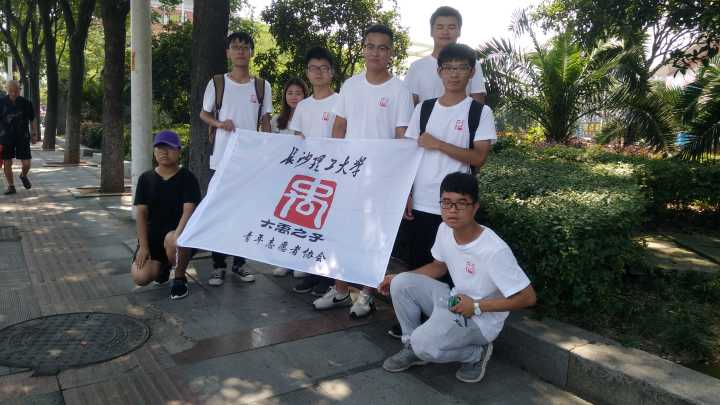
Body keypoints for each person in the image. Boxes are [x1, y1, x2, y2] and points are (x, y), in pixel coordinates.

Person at [378, 172, 537, 383]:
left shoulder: (494, 250)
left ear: (475, 207)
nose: (452, 210)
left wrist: (477, 306)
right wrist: (397, 277)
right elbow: (438, 266)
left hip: (481, 320)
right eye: (446, 203)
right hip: (455, 300)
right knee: (401, 282)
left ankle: (475, 354)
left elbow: (528, 298)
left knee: (424, 343)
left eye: (461, 203)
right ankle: (413, 347)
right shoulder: (444, 229)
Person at [388, 43, 496, 338]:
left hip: (455, 206)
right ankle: (414, 323)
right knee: (418, 264)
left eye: (461, 68)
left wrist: (438, 144)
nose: (454, 74)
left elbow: (479, 158)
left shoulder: (479, 112)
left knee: (451, 270)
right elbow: (409, 154)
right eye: (449, 68)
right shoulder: (424, 109)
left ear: (471, 73)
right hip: (422, 201)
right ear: (439, 72)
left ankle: (445, 327)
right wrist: (407, 192)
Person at [312, 23, 414, 319]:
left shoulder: (400, 91)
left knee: (375, 238)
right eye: (370, 46)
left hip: (382, 179)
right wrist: (334, 166)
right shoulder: (351, 85)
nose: (376, 53)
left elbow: (403, 139)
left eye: (382, 48)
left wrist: (402, 184)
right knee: (343, 232)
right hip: (349, 174)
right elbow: (339, 126)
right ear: (363, 49)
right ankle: (340, 289)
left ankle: (368, 293)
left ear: (391, 53)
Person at [200, 31, 273, 286]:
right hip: (222, 158)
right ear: (228, 53)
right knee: (219, 210)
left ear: (251, 52)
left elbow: (266, 121)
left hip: (250, 162)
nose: (240, 51)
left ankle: (240, 263)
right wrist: (220, 124)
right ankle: (218, 265)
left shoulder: (262, 86)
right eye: (235, 47)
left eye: (245, 47)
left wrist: (269, 150)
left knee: (244, 211)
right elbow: (204, 114)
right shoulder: (217, 82)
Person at [285, 46, 340, 295]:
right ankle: (311, 273)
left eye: (323, 68)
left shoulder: (340, 102)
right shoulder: (303, 106)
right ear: (307, 72)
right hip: (308, 175)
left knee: (329, 227)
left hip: (333, 175)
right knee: (308, 224)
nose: (318, 73)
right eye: (313, 68)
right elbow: (299, 138)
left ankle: (328, 278)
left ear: (332, 72)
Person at [131, 130, 202, 300]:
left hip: (179, 236)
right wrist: (143, 246)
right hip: (154, 238)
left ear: (178, 151)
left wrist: (177, 237)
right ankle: (163, 267)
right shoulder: (145, 178)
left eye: (169, 147)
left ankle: (179, 278)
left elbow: (189, 210)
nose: (164, 152)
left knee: (172, 240)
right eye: (159, 148)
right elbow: (141, 214)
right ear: (154, 151)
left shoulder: (187, 177)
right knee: (141, 277)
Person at [404, 6, 486, 105]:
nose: (445, 32)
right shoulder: (417, 67)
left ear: (459, 31)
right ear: (431, 31)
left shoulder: (472, 64)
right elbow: (409, 106)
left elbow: (478, 105)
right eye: (440, 27)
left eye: (451, 27)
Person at [1, 80, 38, 195]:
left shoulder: (26, 103)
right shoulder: (1, 102)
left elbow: (33, 119)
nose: (13, 93)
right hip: (5, 137)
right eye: (11, 91)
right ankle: (11, 186)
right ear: (7, 90)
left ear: (19, 90)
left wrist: (34, 133)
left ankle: (23, 175)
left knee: (26, 163)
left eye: (16, 91)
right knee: (7, 163)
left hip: (23, 136)